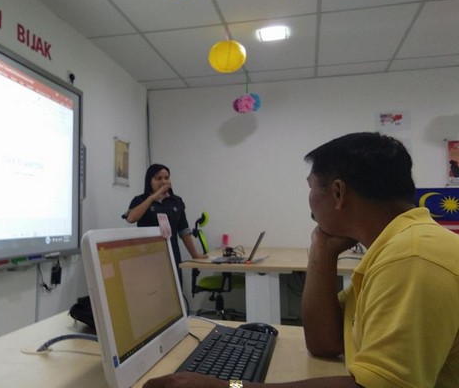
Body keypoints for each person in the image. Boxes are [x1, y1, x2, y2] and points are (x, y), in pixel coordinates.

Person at [143, 132, 459, 388]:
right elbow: (325, 342)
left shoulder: (411, 259)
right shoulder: (397, 248)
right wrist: (323, 249)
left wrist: (230, 387)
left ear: (338, 193)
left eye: (310, 188)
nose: (309, 202)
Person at [124, 164, 206, 285]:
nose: (164, 181)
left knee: (175, 289)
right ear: (150, 181)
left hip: (172, 255)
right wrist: (152, 198)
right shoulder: (140, 200)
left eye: (166, 178)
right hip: (148, 257)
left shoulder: (176, 201)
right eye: (159, 178)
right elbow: (131, 218)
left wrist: (195, 254)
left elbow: (183, 230)